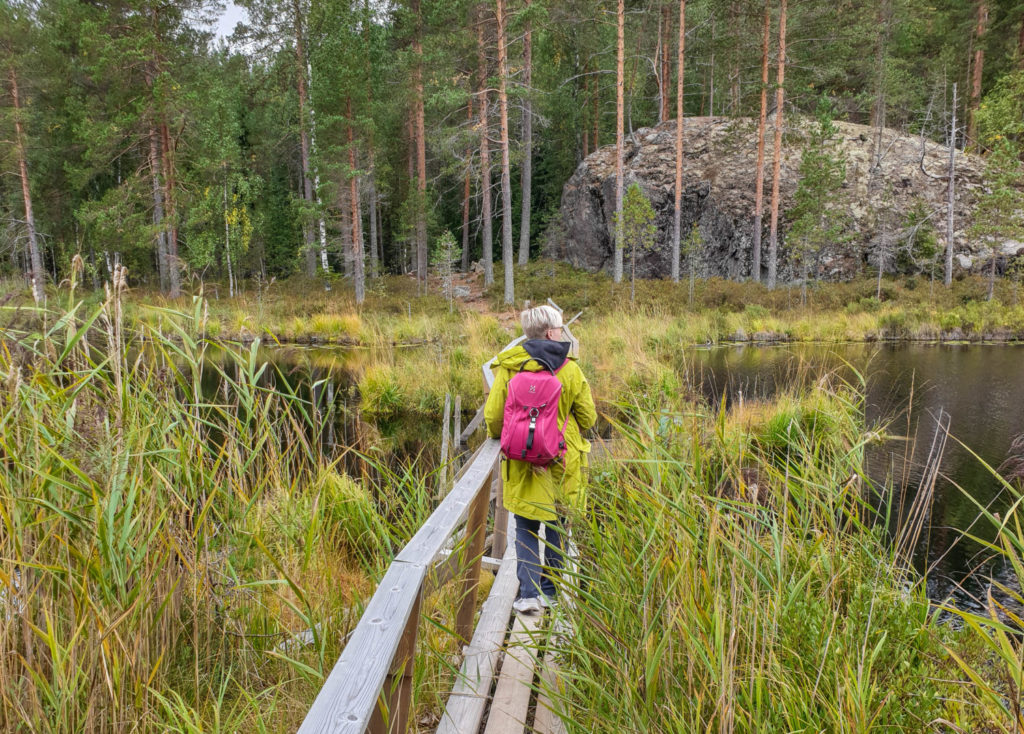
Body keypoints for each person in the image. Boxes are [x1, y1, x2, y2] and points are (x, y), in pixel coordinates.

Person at [484, 305, 597, 614]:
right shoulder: (570, 369)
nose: (562, 334)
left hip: (522, 462)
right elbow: (588, 417)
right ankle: (551, 592)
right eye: (560, 329)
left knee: (526, 528)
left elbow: (493, 418)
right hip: (561, 463)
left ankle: (528, 595)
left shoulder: (509, 367)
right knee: (558, 527)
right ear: (551, 333)